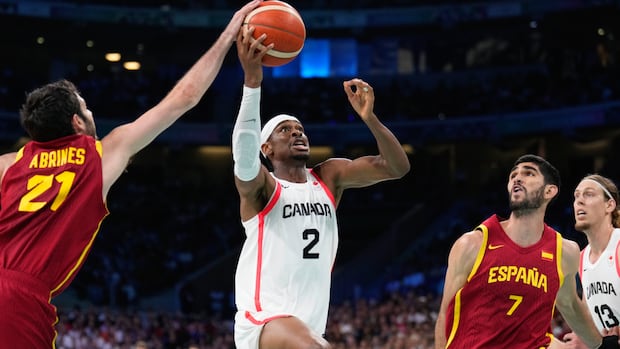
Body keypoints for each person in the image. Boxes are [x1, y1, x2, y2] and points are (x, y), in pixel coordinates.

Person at [0, 1, 263, 347]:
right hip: (20, 299)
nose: (91, 111)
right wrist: (229, 34)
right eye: (86, 107)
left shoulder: (7, 164)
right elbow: (184, 98)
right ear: (77, 122)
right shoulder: (99, 155)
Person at [230, 27, 411, 349]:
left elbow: (397, 168)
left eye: (300, 129)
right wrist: (252, 83)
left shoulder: (328, 176)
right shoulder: (263, 189)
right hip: (264, 319)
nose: (298, 134)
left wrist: (370, 119)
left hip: (311, 323)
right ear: (267, 149)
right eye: (285, 131)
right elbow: (243, 158)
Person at [434, 154, 620, 349]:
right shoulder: (473, 244)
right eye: (513, 175)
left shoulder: (564, 252)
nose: (517, 178)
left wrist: (601, 346)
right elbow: (445, 315)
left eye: (529, 173)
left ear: (550, 191)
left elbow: (570, 305)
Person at [556, 174, 620, 348]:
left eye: (589, 194)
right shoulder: (582, 258)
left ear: (610, 204)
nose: (579, 201)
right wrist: (583, 338)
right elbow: (589, 319)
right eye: (576, 196)